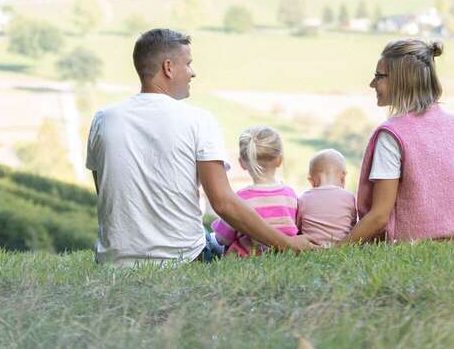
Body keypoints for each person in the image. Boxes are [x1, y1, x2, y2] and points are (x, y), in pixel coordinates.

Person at [85, 28, 316, 266]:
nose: (192, 73)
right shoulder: (199, 120)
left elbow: (106, 191)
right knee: (221, 242)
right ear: (168, 67)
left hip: (112, 261)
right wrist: (286, 243)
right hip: (184, 258)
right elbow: (223, 203)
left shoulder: (103, 119)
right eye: (188, 64)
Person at [340, 39, 454, 245]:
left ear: (402, 80)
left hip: (413, 246)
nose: (372, 84)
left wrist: (336, 249)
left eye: (379, 77)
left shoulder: (392, 135)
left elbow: (379, 217)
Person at [211, 126, 299, 257]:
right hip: (284, 254)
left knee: (211, 240)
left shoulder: (241, 198)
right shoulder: (290, 194)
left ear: (242, 163)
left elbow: (222, 239)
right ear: (279, 160)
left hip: (247, 256)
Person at [296, 149, 357, 246]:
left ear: (311, 181)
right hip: (342, 246)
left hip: (312, 247)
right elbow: (353, 225)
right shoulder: (349, 198)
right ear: (343, 177)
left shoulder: (303, 198)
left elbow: (297, 227)